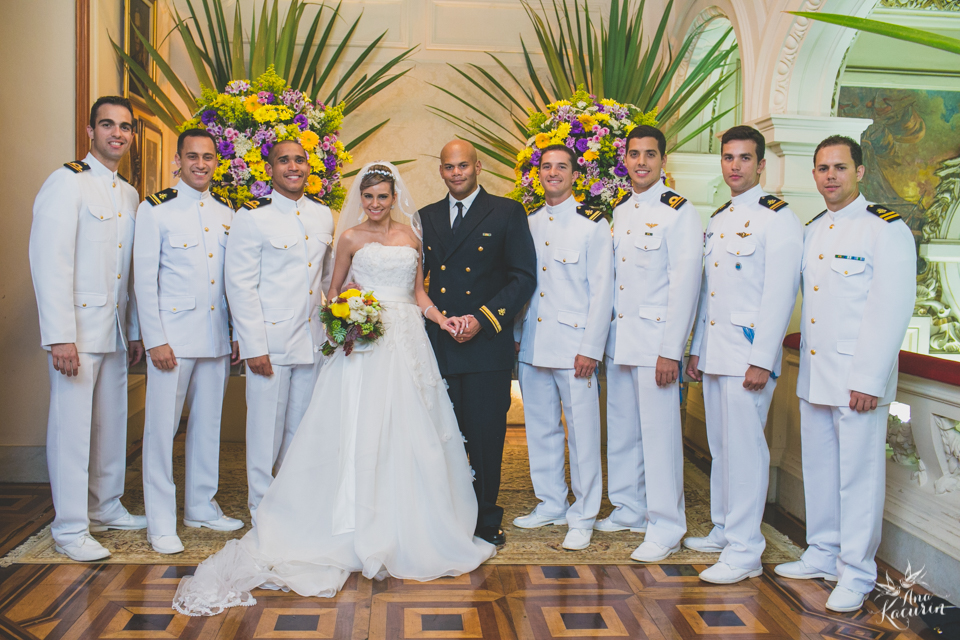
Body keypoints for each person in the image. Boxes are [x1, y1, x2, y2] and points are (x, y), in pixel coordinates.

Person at [173, 162, 495, 615]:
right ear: (360, 199)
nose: (377, 204)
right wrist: (347, 321)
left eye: (384, 196)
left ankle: (411, 524)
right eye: (369, 197)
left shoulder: (411, 237)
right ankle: (345, 519)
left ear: (393, 196)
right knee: (355, 429)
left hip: (407, 340)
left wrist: (440, 318)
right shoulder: (349, 238)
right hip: (365, 344)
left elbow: (419, 293)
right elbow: (334, 288)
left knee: (410, 431)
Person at [774, 136, 915, 612]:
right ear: (814, 175)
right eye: (821, 168)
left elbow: (891, 308)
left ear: (859, 170)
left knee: (858, 477)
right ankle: (823, 551)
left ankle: (856, 573)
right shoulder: (815, 229)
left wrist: (869, 381)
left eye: (839, 167)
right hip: (817, 374)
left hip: (857, 379)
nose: (829, 176)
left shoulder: (884, 229)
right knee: (820, 470)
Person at [28, 96, 146, 562]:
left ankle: (105, 505)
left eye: (125, 127)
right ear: (90, 131)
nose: (117, 133)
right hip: (76, 331)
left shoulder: (131, 194)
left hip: (114, 332)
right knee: (72, 430)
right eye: (108, 125)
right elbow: (49, 262)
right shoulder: (66, 183)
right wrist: (60, 335)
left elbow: (130, 271)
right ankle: (71, 527)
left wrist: (134, 330)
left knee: (110, 425)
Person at [685, 125, 802, 583]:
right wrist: (696, 349)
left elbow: (780, 296)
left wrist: (761, 358)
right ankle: (724, 528)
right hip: (716, 354)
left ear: (761, 164)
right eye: (728, 158)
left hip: (748, 357)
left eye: (744, 158)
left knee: (747, 452)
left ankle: (746, 551)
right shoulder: (719, 217)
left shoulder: (779, 219)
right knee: (722, 447)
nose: (735, 166)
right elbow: (709, 295)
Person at [419, 140, 537, 546]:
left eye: (463, 166)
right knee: (446, 434)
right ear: (441, 170)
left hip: (487, 343)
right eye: (449, 166)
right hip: (442, 342)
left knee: (486, 435)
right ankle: (449, 511)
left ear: (478, 167)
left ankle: (486, 516)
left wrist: (482, 320)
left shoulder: (506, 212)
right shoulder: (426, 217)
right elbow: (417, 283)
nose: (456, 173)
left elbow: (522, 277)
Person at [134, 129, 244, 555]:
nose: (201, 164)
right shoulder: (155, 209)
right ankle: (160, 522)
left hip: (215, 337)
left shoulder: (225, 213)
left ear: (217, 162)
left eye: (208, 157)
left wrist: (235, 332)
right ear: (177, 161)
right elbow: (144, 281)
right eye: (192, 156)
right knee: (161, 432)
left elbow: (230, 282)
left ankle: (201, 504)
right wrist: (155, 338)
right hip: (173, 343)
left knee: (207, 426)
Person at [601, 126, 703, 562]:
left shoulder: (678, 211)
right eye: (634, 154)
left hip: (655, 343)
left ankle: (666, 525)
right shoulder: (621, 209)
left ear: (663, 161)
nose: (641, 162)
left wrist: (671, 350)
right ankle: (629, 506)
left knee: (659, 438)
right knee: (622, 430)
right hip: (621, 339)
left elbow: (685, 285)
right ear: (625, 158)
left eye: (650, 155)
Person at [224, 140, 335, 525]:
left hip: (311, 340)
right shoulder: (252, 217)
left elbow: (325, 280)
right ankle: (261, 508)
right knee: (264, 431)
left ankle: (292, 505)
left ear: (309, 167)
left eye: (300, 160)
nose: (293, 166)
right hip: (269, 344)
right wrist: (254, 345)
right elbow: (239, 286)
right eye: (284, 160)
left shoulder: (323, 216)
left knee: (300, 430)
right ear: (270, 168)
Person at [513, 145, 614, 551]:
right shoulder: (530, 223)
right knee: (540, 429)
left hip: (576, 348)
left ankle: (585, 513)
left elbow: (602, 291)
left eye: (561, 167)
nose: (553, 173)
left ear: (576, 174)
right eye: (546, 166)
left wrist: (591, 347)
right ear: (538, 174)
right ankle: (551, 502)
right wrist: (518, 334)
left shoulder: (593, 224)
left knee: (583, 434)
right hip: (535, 344)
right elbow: (524, 285)